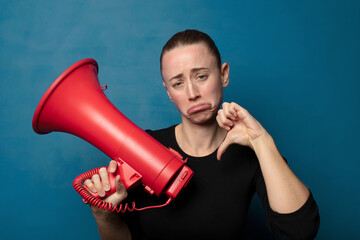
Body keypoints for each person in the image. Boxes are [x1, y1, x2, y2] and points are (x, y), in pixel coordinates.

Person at [84, 29, 320, 240]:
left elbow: (300, 230)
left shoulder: (250, 156)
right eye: (178, 83)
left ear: (223, 74)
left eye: (201, 76)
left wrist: (261, 141)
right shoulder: (143, 147)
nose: (192, 93)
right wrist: (105, 217)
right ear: (168, 92)